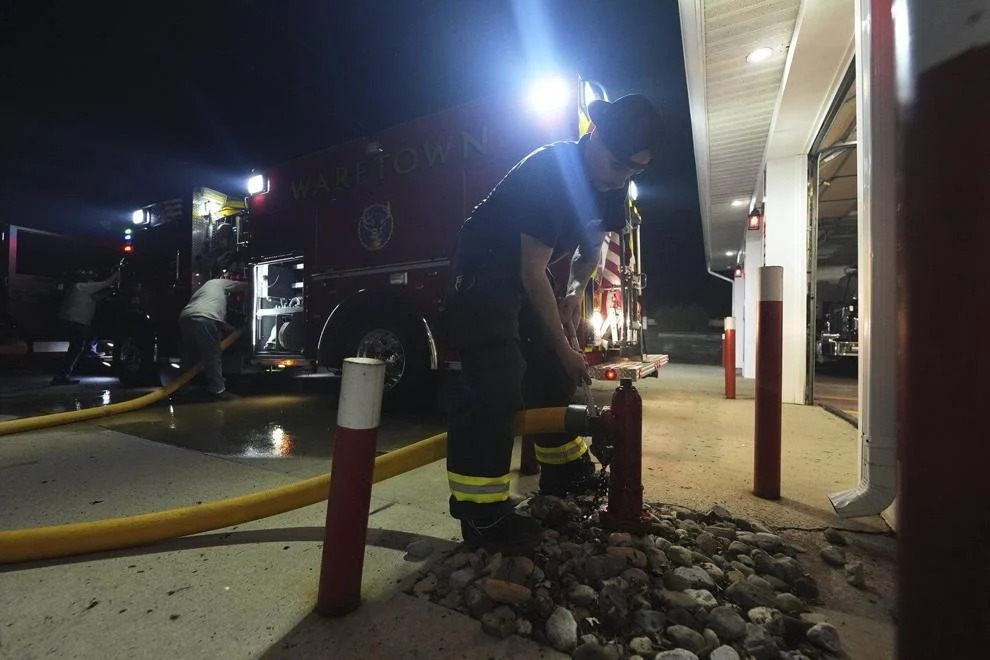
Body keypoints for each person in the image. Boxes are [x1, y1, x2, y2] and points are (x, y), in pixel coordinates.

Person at [444, 93, 662, 554]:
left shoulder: (612, 183)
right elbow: (530, 269)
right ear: (594, 134)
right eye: (616, 165)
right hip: (485, 267)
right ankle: (481, 515)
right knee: (498, 377)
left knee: (550, 370)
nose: (620, 178)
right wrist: (566, 343)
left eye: (632, 172)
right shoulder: (552, 173)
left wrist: (574, 294)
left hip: (528, 272)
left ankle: (565, 472)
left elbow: (592, 247)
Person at [178, 275, 249, 397]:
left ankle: (180, 388)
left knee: (190, 355)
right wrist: (252, 283)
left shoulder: (205, 293)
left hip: (186, 318)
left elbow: (218, 323)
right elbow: (240, 286)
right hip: (204, 318)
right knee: (212, 355)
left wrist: (235, 330)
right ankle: (218, 389)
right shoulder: (217, 283)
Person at [51, 267, 120, 385]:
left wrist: (111, 290)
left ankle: (62, 375)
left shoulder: (80, 289)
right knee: (75, 348)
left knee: (75, 348)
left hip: (75, 322)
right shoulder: (82, 286)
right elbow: (106, 283)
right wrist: (118, 272)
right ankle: (61, 376)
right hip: (76, 322)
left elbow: (96, 298)